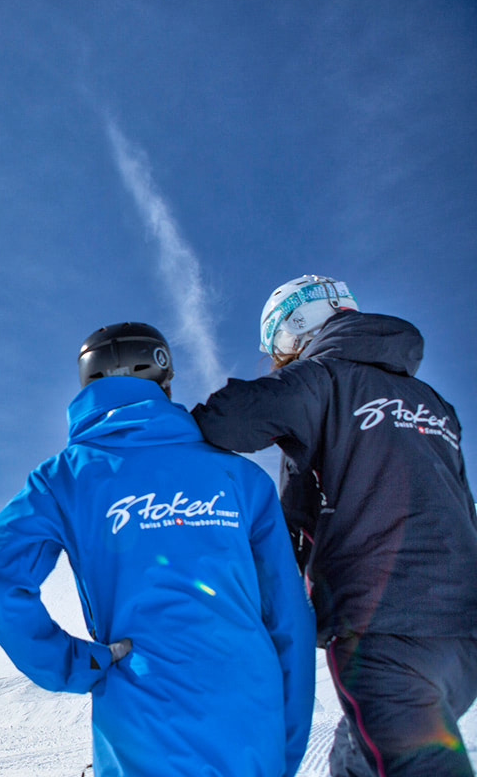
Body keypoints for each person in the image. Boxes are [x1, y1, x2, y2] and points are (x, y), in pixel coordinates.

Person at [0, 322, 314, 777]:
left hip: (140, 723)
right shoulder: (243, 478)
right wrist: (284, 749)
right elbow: (289, 619)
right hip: (253, 724)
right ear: (165, 379)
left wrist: (73, 666)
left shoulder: (64, 479)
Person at [191, 275, 477, 777]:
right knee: (358, 757)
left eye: (279, 345)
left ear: (297, 328)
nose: (283, 357)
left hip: (384, 632)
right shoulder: (435, 404)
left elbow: (227, 420)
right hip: (465, 638)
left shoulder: (321, 378)